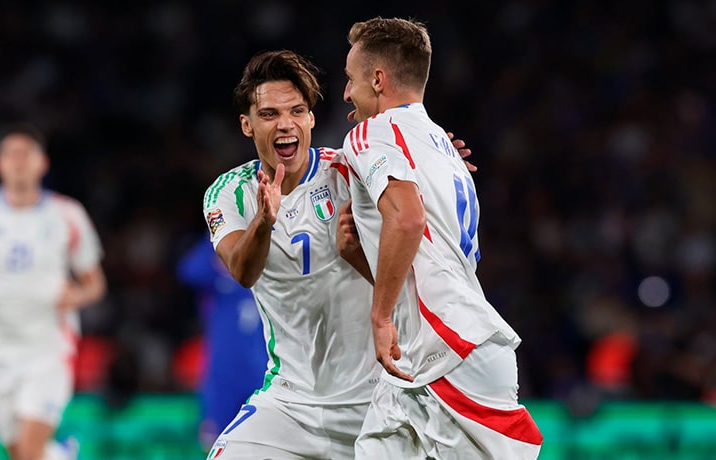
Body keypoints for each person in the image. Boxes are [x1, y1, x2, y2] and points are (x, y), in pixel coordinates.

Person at [202, 50, 473, 459]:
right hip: (290, 403)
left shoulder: (349, 171)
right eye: (270, 114)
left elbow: (408, 195)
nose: (286, 124)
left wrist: (436, 161)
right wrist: (265, 219)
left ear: (311, 119)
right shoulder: (229, 192)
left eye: (297, 111)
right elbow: (243, 270)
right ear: (247, 124)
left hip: (377, 403)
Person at [338, 17, 543, 459]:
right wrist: (356, 250)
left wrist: (380, 317)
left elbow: (408, 221)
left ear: (378, 79)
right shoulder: (440, 145)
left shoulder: (371, 134)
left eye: (350, 80)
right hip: (416, 362)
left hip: (450, 350)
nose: (345, 95)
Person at [0, 123, 106, 460]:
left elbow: (95, 284)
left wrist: (76, 296)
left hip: (47, 347)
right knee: (20, 452)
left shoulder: (66, 214)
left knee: (28, 451)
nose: (19, 161)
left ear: (43, 164)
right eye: (10, 154)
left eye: (27, 153)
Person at [175, 236, 267, 449]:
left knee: (262, 447)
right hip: (222, 378)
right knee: (215, 445)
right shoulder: (218, 278)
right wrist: (219, 237)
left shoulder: (266, 276)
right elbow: (188, 271)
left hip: (262, 376)